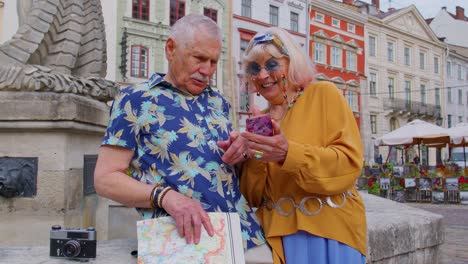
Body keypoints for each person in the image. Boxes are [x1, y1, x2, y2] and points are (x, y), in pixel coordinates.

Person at [94, 14, 272, 263]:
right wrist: (165, 196)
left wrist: (241, 155)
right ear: (170, 49)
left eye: (213, 62)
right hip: (182, 244)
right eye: (199, 58)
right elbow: (104, 179)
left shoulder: (219, 103)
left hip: (245, 238)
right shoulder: (135, 99)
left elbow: (229, 177)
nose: (207, 70)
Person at [240, 27, 367, 263]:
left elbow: (349, 165)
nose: (263, 75)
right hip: (277, 238)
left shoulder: (323, 94)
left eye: (272, 64)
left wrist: (288, 153)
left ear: (292, 62)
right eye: (255, 68)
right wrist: (251, 155)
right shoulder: (261, 121)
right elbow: (253, 196)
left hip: (328, 233)